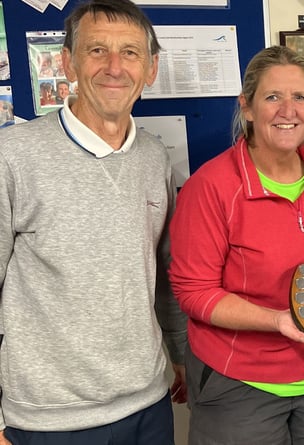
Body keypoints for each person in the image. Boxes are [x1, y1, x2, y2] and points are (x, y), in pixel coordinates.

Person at [0, 1, 188, 444]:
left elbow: (165, 273)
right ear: (67, 60)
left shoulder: (155, 159)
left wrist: (179, 354)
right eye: (97, 50)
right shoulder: (13, 156)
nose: (114, 67)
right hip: (49, 418)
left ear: (151, 68)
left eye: (130, 52)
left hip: (147, 402)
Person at [168, 45, 304, 445]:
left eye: (300, 97)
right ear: (247, 107)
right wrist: (276, 320)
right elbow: (192, 291)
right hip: (239, 383)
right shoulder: (211, 186)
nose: (289, 110)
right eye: (273, 97)